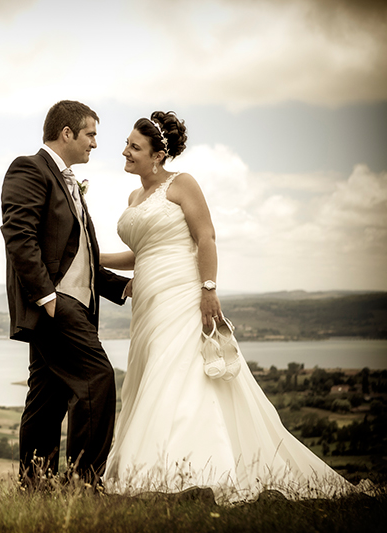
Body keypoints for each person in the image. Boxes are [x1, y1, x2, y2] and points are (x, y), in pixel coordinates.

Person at [100, 111, 362, 502]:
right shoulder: (134, 197)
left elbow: (206, 237)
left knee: (181, 376)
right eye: (127, 144)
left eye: (134, 146)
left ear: (157, 155)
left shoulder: (182, 184)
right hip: (148, 302)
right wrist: (94, 257)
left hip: (183, 294)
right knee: (152, 370)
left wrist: (209, 289)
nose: (125, 151)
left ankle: (182, 472)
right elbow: (141, 254)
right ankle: (153, 470)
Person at [1, 100, 130, 486]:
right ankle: (83, 483)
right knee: (98, 378)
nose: (94, 143)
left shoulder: (71, 182)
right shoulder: (29, 168)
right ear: (67, 133)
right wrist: (47, 298)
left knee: (47, 397)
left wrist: (125, 287)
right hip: (54, 305)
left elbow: (81, 258)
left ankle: (35, 485)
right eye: (91, 134)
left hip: (69, 305)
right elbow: (19, 236)